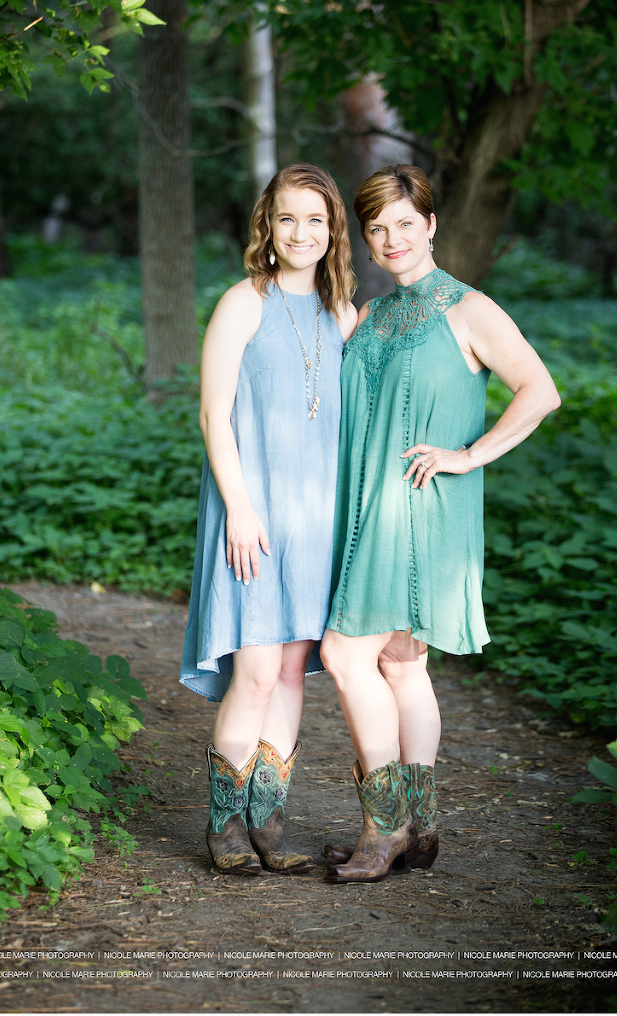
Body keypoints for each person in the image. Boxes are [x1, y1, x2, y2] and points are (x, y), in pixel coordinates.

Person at [320, 164, 560, 884]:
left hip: (419, 512)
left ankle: (384, 826)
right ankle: (420, 829)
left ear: (430, 225)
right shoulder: (373, 314)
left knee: (345, 657)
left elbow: (540, 391)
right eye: (376, 228)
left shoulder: (469, 308)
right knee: (401, 663)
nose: (391, 238)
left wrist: (468, 455)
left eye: (404, 223)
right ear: (365, 238)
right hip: (368, 507)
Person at [180, 163, 357, 876]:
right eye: (288, 218)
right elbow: (212, 416)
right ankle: (224, 825)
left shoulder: (343, 315)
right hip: (249, 515)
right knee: (253, 670)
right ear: (268, 225)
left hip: (315, 522)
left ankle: (267, 823)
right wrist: (240, 508)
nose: (301, 232)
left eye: (316, 220)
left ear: (332, 231)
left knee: (290, 672)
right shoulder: (242, 303)